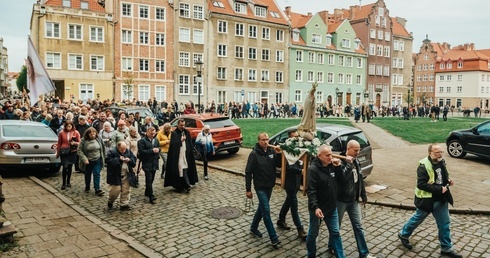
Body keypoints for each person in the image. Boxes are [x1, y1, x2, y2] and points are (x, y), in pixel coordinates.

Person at [398, 144, 462, 258]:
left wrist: (448, 180)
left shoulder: (441, 161)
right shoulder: (423, 165)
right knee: (417, 219)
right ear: (430, 152)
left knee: (444, 224)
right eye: (437, 152)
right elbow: (421, 184)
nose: (439, 154)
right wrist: (439, 189)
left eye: (441, 152)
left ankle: (446, 248)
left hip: (441, 199)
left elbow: (442, 175)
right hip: (427, 200)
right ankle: (403, 234)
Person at [328, 140, 375, 258]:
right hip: (341, 200)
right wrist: (348, 164)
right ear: (348, 149)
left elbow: (360, 179)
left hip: (353, 200)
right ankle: (332, 246)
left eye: (359, 150)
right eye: (355, 150)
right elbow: (342, 179)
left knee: (358, 226)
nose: (358, 152)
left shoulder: (357, 161)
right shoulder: (339, 162)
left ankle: (364, 253)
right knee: (336, 227)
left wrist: (363, 195)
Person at [306, 145, 344, 258]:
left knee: (335, 233)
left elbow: (341, 181)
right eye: (327, 155)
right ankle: (311, 255)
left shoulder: (332, 166)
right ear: (319, 156)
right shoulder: (313, 169)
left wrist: (338, 168)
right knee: (313, 234)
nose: (330, 157)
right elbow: (311, 191)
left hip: (331, 208)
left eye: (331, 154)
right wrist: (315, 207)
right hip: (318, 208)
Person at [245, 132, 282, 247]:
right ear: (258, 141)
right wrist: (248, 189)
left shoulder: (271, 152)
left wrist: (279, 154)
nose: (266, 142)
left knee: (261, 208)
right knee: (266, 210)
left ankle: (253, 227)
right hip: (260, 186)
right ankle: (273, 237)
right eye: (263, 140)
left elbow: (279, 165)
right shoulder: (254, 154)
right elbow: (248, 172)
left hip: (269, 185)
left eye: (267, 139)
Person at [276, 129, 307, 239]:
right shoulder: (287, 150)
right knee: (294, 206)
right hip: (290, 182)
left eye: (297, 137)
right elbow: (288, 167)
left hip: (296, 182)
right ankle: (300, 228)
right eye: (294, 137)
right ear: (289, 138)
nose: (296, 139)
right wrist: (300, 171)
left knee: (288, 201)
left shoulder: (299, 148)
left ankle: (281, 219)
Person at [164, 119, 198, 193]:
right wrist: (181, 141)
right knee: (181, 169)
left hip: (186, 154)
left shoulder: (187, 132)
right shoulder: (175, 133)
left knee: (185, 168)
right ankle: (185, 185)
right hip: (178, 155)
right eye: (181, 125)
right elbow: (173, 144)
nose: (183, 127)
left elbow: (189, 143)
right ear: (178, 125)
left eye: (184, 125)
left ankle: (185, 184)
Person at [105, 141, 136, 211]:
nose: (124, 151)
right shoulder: (112, 152)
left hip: (126, 174)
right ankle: (110, 201)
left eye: (125, 149)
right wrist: (118, 159)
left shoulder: (128, 152)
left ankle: (124, 204)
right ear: (118, 147)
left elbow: (134, 161)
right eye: (122, 149)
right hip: (115, 175)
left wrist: (129, 160)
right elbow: (108, 161)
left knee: (126, 190)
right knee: (115, 191)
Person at [77, 127, 105, 196]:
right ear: (88, 134)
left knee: (97, 173)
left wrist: (103, 157)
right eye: (91, 134)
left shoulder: (99, 139)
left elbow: (103, 148)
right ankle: (87, 186)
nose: (93, 135)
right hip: (88, 160)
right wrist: (84, 159)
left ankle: (97, 189)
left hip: (97, 159)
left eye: (94, 134)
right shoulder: (83, 140)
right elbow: (79, 150)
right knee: (88, 174)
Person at [137, 126, 160, 204]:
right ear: (147, 132)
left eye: (154, 133)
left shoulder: (156, 140)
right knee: (149, 179)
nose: (153, 135)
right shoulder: (142, 141)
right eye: (151, 133)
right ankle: (151, 196)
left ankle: (147, 191)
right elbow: (141, 151)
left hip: (154, 162)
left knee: (152, 178)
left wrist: (158, 150)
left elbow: (159, 147)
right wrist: (152, 151)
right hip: (147, 162)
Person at [56, 120, 81, 190]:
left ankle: (68, 181)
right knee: (65, 166)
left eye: (70, 126)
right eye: (67, 126)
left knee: (70, 167)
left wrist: (75, 143)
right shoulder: (61, 133)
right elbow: (59, 143)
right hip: (64, 151)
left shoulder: (76, 132)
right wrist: (57, 153)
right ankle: (63, 183)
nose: (68, 128)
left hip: (72, 151)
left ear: (72, 126)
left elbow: (80, 142)